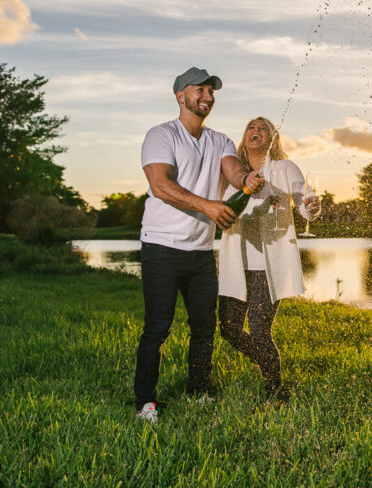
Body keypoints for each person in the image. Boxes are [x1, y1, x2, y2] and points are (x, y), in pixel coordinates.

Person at [134, 67, 264, 424]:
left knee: (204, 327)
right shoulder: (162, 135)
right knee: (157, 329)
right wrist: (208, 206)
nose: (207, 96)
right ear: (181, 96)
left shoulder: (219, 140)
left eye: (211, 91)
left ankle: (199, 390)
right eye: (200, 90)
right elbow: (160, 185)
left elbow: (234, 174)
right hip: (162, 246)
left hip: (202, 252)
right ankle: (146, 402)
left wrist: (248, 179)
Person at [217, 117, 320, 401]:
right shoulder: (231, 170)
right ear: (244, 136)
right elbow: (223, 209)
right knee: (229, 328)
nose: (257, 131)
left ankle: (275, 390)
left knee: (260, 330)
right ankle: (265, 360)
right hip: (235, 260)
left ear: (273, 137)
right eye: (251, 127)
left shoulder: (285, 168)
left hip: (269, 265)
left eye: (264, 128)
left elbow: (305, 204)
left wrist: (312, 208)